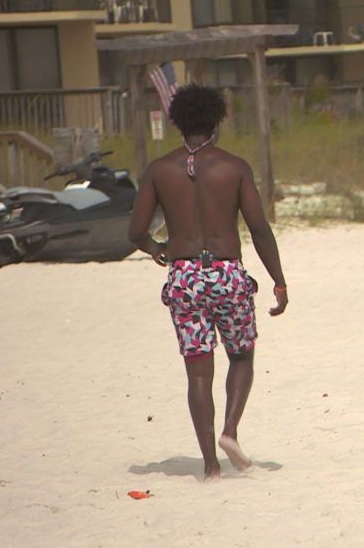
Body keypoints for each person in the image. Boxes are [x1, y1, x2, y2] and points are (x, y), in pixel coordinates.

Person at [127, 84, 289, 482]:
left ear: (178, 122)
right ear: (216, 121)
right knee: (241, 355)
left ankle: (211, 467)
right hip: (227, 272)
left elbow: (135, 231)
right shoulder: (234, 167)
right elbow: (260, 230)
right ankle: (230, 431)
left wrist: (156, 248)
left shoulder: (160, 169)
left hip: (184, 276)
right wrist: (279, 281)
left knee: (198, 373)